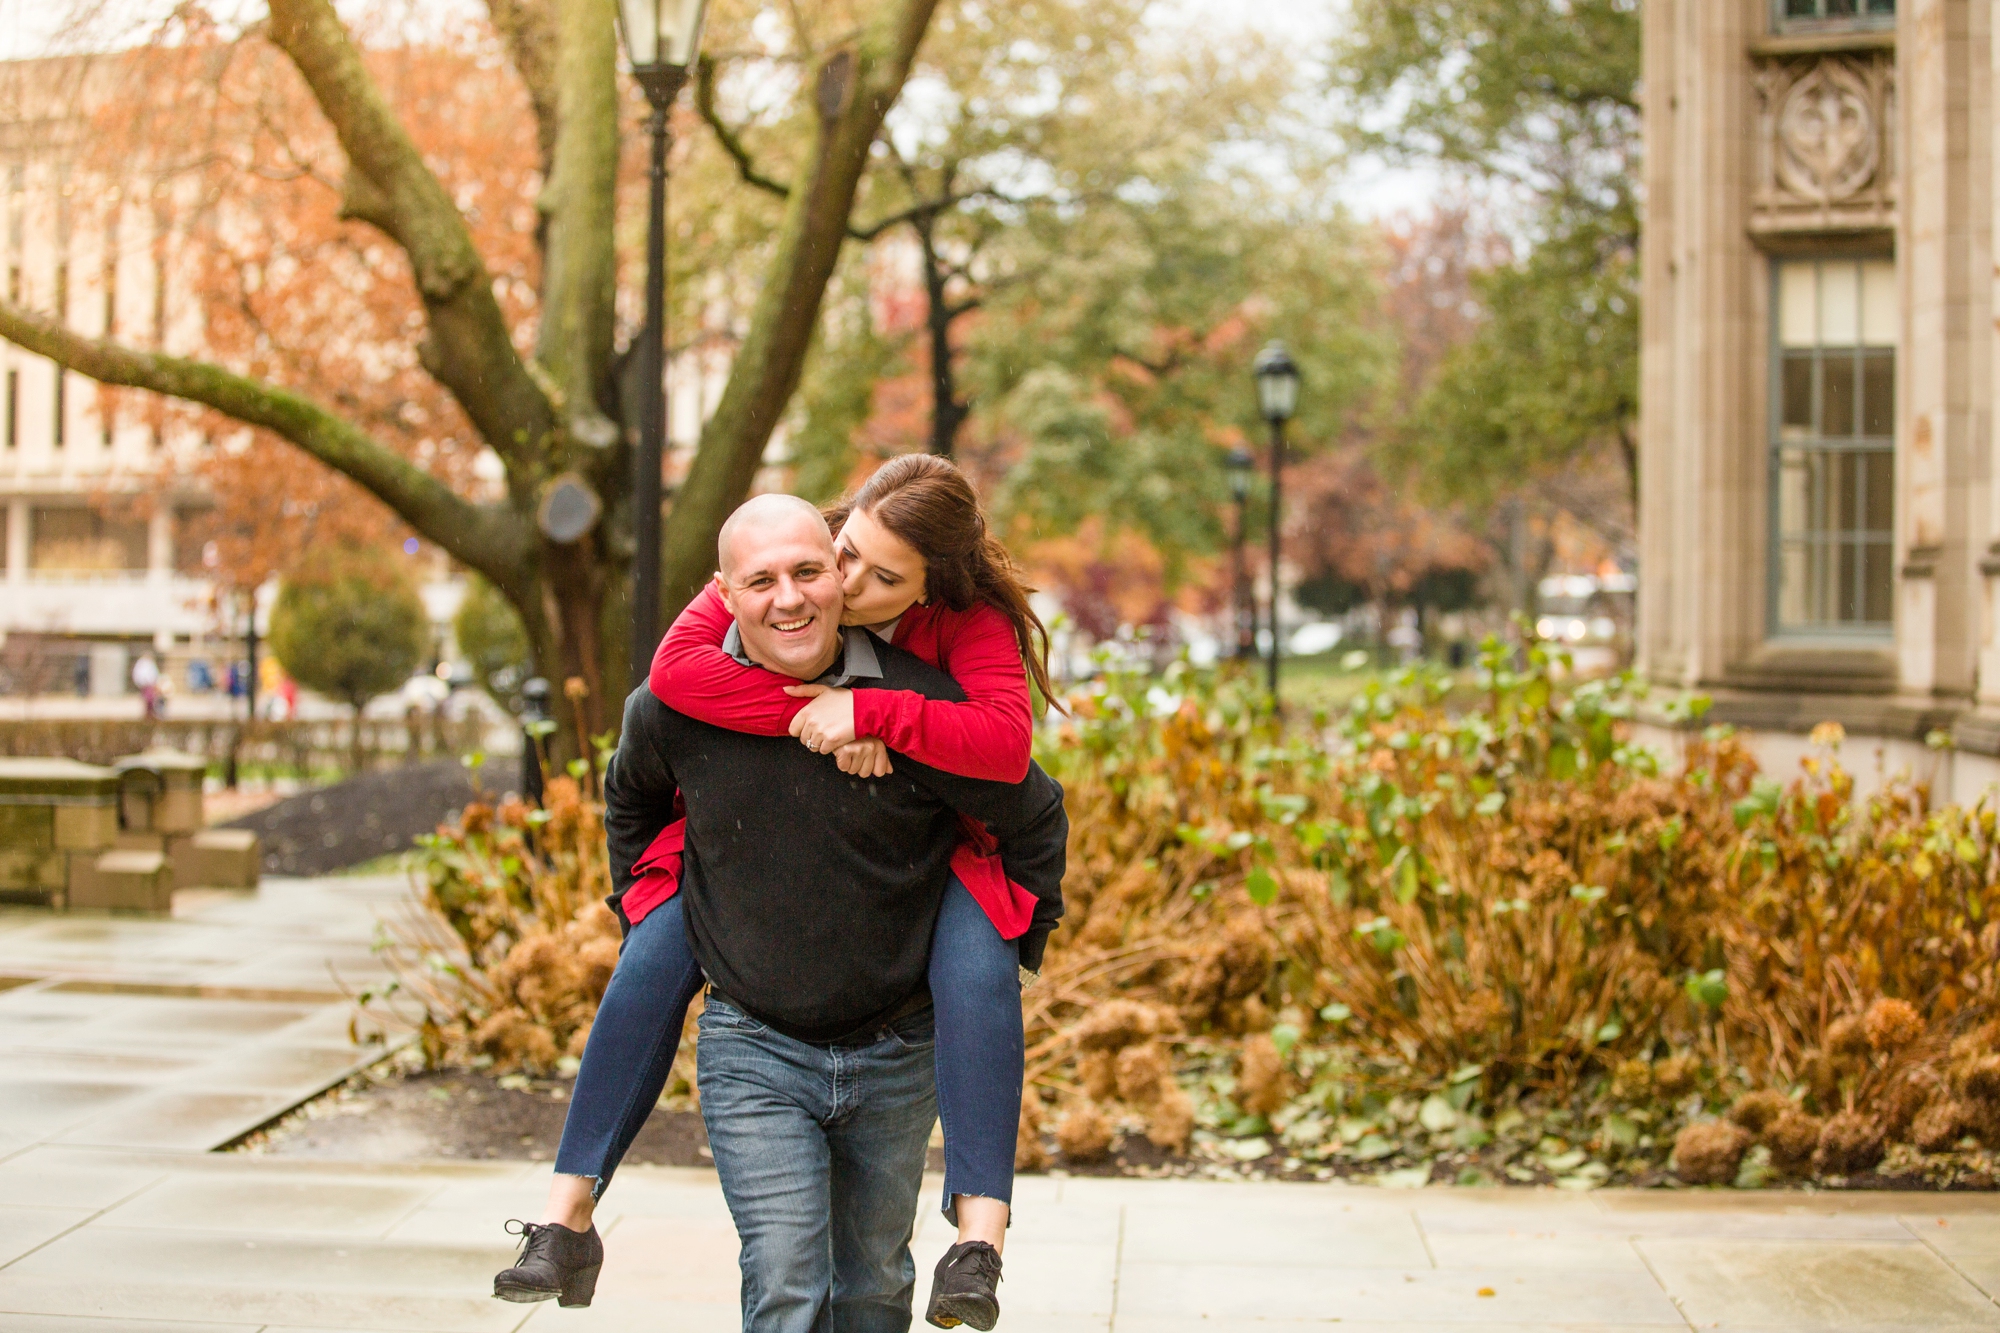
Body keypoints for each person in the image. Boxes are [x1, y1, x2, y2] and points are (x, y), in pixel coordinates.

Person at [499, 456, 1061, 1330]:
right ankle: (567, 1213)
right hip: (753, 1024)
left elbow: (1012, 767)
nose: (829, 583)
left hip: (918, 950)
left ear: (925, 587)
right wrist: (646, 895)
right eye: (841, 555)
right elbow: (666, 702)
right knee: (786, 1274)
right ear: (730, 587)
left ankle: (978, 1239)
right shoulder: (746, 610)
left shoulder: (955, 640)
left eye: (868, 576)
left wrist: (877, 715)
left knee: (872, 1282)